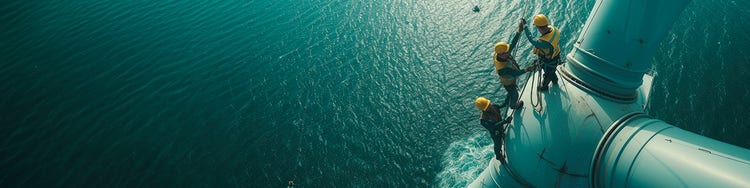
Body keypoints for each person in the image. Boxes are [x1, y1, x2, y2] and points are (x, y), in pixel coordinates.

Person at [493, 23, 534, 109]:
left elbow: (513, 44)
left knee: (510, 93)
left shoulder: (500, 54)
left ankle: (505, 103)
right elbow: (515, 73)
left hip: (510, 81)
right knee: (514, 94)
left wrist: (519, 31)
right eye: (507, 52)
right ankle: (513, 105)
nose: (509, 52)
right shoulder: (502, 69)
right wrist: (527, 69)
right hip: (509, 83)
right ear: (501, 55)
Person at [522, 14, 562, 91]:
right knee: (552, 71)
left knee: (547, 74)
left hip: (549, 61)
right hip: (556, 56)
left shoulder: (544, 43)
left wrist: (525, 26)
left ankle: (544, 87)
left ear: (538, 27)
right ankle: (555, 80)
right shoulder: (554, 29)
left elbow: (531, 39)